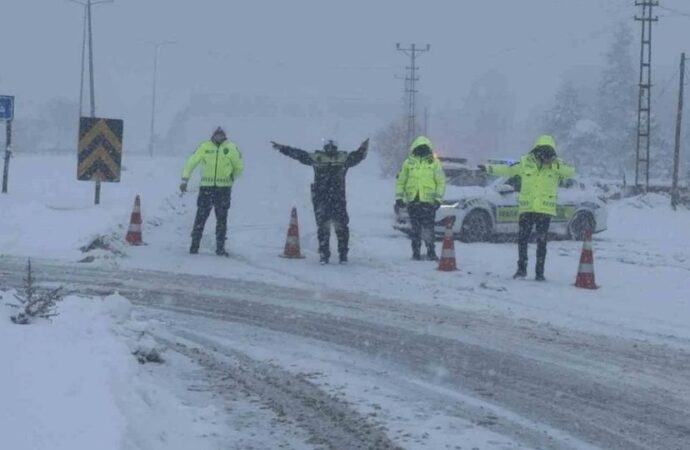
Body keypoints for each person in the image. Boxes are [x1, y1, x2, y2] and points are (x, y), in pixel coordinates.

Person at [479, 134, 574, 281]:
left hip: (544, 210)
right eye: (543, 152)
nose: (545, 156)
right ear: (536, 150)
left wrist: (556, 163)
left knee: (541, 243)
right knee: (522, 240)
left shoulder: (556, 166)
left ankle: (539, 273)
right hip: (527, 209)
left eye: (549, 152)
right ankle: (521, 269)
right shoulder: (525, 163)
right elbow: (507, 169)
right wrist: (489, 168)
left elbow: (570, 172)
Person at [271, 138, 369, 264]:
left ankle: (331, 255)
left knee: (333, 227)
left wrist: (282, 148)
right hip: (334, 198)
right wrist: (363, 148)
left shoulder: (319, 157)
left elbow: (299, 154)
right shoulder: (340, 158)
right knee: (333, 228)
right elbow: (357, 157)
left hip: (325, 198)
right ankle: (334, 255)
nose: (330, 148)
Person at [180, 127, 244, 256]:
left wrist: (232, 177)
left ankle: (220, 248)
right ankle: (194, 246)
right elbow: (191, 162)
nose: (219, 137)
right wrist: (185, 179)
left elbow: (239, 166)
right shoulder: (204, 146)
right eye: (217, 135)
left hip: (223, 189)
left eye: (221, 135)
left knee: (221, 220)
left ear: (224, 136)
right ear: (213, 136)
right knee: (200, 219)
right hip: (206, 188)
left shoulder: (231, 148)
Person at [395, 136, 446, 261]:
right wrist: (399, 197)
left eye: (424, 148)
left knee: (428, 228)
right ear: (415, 148)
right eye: (420, 148)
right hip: (413, 201)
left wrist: (438, 200)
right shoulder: (408, 163)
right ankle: (416, 252)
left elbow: (441, 182)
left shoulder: (434, 163)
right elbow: (401, 181)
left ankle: (431, 251)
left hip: (428, 202)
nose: (422, 150)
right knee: (415, 228)